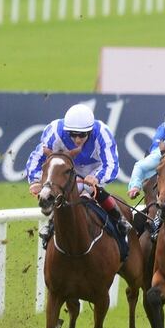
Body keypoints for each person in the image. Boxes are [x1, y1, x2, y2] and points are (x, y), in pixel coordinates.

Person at [25, 103, 129, 247]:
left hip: (95, 168)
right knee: (59, 190)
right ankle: (51, 224)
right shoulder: (55, 131)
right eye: (73, 134)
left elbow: (111, 165)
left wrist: (97, 178)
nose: (77, 139)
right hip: (67, 167)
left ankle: (119, 219)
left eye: (82, 134)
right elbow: (37, 158)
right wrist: (35, 181)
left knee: (90, 189)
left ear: (91, 131)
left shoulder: (102, 133)